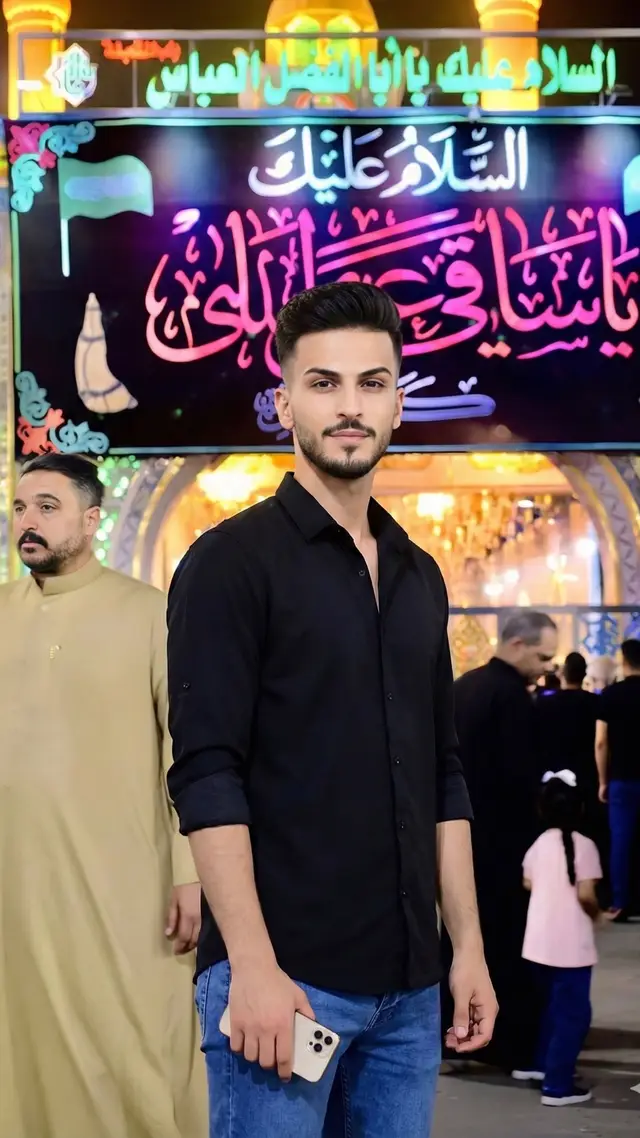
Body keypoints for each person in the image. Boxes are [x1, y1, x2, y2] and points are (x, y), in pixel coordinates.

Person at [167, 282, 497, 1138]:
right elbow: (206, 777)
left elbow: (442, 776)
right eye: (324, 383)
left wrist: (467, 948)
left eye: (372, 383)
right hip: (285, 982)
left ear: (398, 400)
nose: (350, 407)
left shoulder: (419, 573)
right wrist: (252, 964)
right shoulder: (230, 564)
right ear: (285, 402)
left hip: (410, 994)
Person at [0, 454, 207, 1138]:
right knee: (22, 1044)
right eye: (22, 507)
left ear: (92, 519)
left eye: (48, 508)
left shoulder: (149, 614)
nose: (28, 523)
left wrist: (188, 870)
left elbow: (186, 752)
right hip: (18, 882)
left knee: (131, 1040)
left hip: (123, 882)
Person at [445, 611, 558, 1076]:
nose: (547, 666)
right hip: (504, 845)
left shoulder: (464, 686)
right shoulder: (512, 697)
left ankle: (455, 1034)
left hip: (458, 840)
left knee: (459, 940)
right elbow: (519, 779)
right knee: (508, 945)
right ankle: (507, 1043)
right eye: (542, 655)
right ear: (515, 643)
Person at [522, 771, 602, 1107]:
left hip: (538, 946)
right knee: (573, 1016)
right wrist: (598, 914)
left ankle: (541, 1066)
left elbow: (527, 881)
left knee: (550, 1010)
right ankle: (557, 1085)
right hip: (572, 950)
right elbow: (586, 894)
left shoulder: (540, 843)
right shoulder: (586, 846)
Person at [596, 638, 640, 921]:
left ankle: (620, 902)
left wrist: (602, 780)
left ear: (624, 661)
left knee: (621, 841)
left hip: (622, 778)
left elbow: (601, 742)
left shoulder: (611, 695)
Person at [537, 653, 601, 830]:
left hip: (552, 774)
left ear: (563, 673)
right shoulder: (596, 703)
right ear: (584, 674)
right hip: (587, 773)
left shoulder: (545, 703)